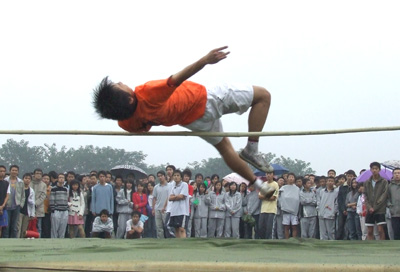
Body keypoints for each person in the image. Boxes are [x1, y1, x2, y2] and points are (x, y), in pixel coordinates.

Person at [93, 46, 273, 191]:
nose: (121, 83)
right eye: (119, 85)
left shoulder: (125, 122)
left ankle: (258, 185)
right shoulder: (146, 93)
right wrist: (205, 60)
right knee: (263, 96)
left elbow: (143, 126)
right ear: (130, 98)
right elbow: (178, 78)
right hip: (206, 100)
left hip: (193, 122)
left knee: (226, 149)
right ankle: (252, 148)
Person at [364, 162, 388, 240]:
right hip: (369, 209)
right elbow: (365, 196)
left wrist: (375, 207)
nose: (374, 170)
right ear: (370, 170)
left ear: (379, 170)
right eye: (373, 169)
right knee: (370, 231)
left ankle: (382, 246)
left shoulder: (384, 181)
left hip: (380, 209)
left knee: (380, 230)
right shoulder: (367, 182)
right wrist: (369, 207)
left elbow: (384, 195)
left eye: (376, 169)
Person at [4, 165, 24, 238]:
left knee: (14, 225)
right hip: (7, 205)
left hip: (16, 206)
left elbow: (23, 195)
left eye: (16, 170)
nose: (14, 172)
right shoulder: (5, 180)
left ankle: (14, 240)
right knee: (6, 225)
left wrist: (21, 204)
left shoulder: (20, 182)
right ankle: (5, 240)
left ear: (18, 172)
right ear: (10, 171)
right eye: (13, 170)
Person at [168, 170, 189, 238]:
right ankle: (178, 243)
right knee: (176, 228)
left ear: (181, 177)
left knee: (182, 228)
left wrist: (175, 196)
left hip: (182, 211)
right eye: (175, 175)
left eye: (178, 175)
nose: (176, 177)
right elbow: (170, 198)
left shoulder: (184, 185)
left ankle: (184, 244)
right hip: (174, 211)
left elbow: (182, 196)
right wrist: (177, 196)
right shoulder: (172, 185)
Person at [258, 171, 279, 239]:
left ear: (273, 175)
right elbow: (260, 196)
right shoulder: (264, 184)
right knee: (261, 227)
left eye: (270, 174)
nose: (268, 175)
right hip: (263, 209)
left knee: (269, 229)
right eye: (267, 174)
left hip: (271, 210)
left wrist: (265, 196)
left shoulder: (275, 184)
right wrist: (268, 196)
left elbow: (273, 198)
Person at [279, 173, 300, 239]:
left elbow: (298, 199)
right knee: (286, 226)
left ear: (294, 179)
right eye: (289, 177)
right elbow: (280, 198)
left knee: (294, 226)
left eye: (292, 177)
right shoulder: (283, 188)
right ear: (287, 179)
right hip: (286, 210)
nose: (291, 178)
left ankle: (293, 239)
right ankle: (287, 240)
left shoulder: (297, 189)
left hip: (294, 211)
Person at [317, 176, 338, 240]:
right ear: (326, 182)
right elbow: (318, 201)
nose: (330, 182)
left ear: (334, 182)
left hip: (330, 214)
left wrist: (333, 212)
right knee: (323, 232)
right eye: (329, 181)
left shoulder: (336, 192)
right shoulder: (322, 191)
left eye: (332, 181)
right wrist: (319, 210)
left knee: (330, 232)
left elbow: (336, 203)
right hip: (321, 213)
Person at [50, 173, 69, 238]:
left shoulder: (66, 189)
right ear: (57, 179)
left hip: (65, 210)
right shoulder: (53, 189)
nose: (61, 179)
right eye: (60, 177)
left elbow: (67, 199)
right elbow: (52, 200)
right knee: (55, 229)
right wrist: (53, 209)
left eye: (62, 178)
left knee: (63, 228)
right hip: (56, 210)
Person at [30, 168, 47, 238]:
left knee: (38, 226)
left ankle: (38, 239)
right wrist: (31, 203)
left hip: (39, 208)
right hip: (29, 207)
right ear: (34, 174)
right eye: (37, 173)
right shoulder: (29, 182)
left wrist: (35, 203)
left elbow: (43, 196)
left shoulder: (43, 185)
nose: (38, 175)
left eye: (40, 174)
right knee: (29, 225)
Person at [152, 170, 169, 239]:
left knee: (167, 226)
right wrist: (153, 209)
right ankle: (160, 241)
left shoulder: (169, 186)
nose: (160, 177)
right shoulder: (156, 187)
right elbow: (154, 198)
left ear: (164, 176)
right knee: (159, 227)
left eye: (161, 176)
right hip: (157, 209)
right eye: (158, 176)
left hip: (166, 209)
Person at [18, 173, 35, 238]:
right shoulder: (19, 189)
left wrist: (32, 214)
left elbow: (32, 203)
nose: (27, 180)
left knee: (24, 229)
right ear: (23, 179)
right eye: (26, 178)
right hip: (19, 211)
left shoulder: (31, 190)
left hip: (27, 212)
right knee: (18, 228)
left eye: (29, 179)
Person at [388, 168, 400, 240]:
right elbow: (387, 198)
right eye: (395, 173)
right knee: (396, 232)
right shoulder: (390, 186)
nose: (397, 175)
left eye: (398, 173)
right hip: (394, 213)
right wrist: (390, 206)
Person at [0, 165, 10, 238]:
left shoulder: (6, 183)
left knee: (2, 227)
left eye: (3, 171)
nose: (2, 173)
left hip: (3, 207)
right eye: (0, 171)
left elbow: (7, 195)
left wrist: (2, 206)